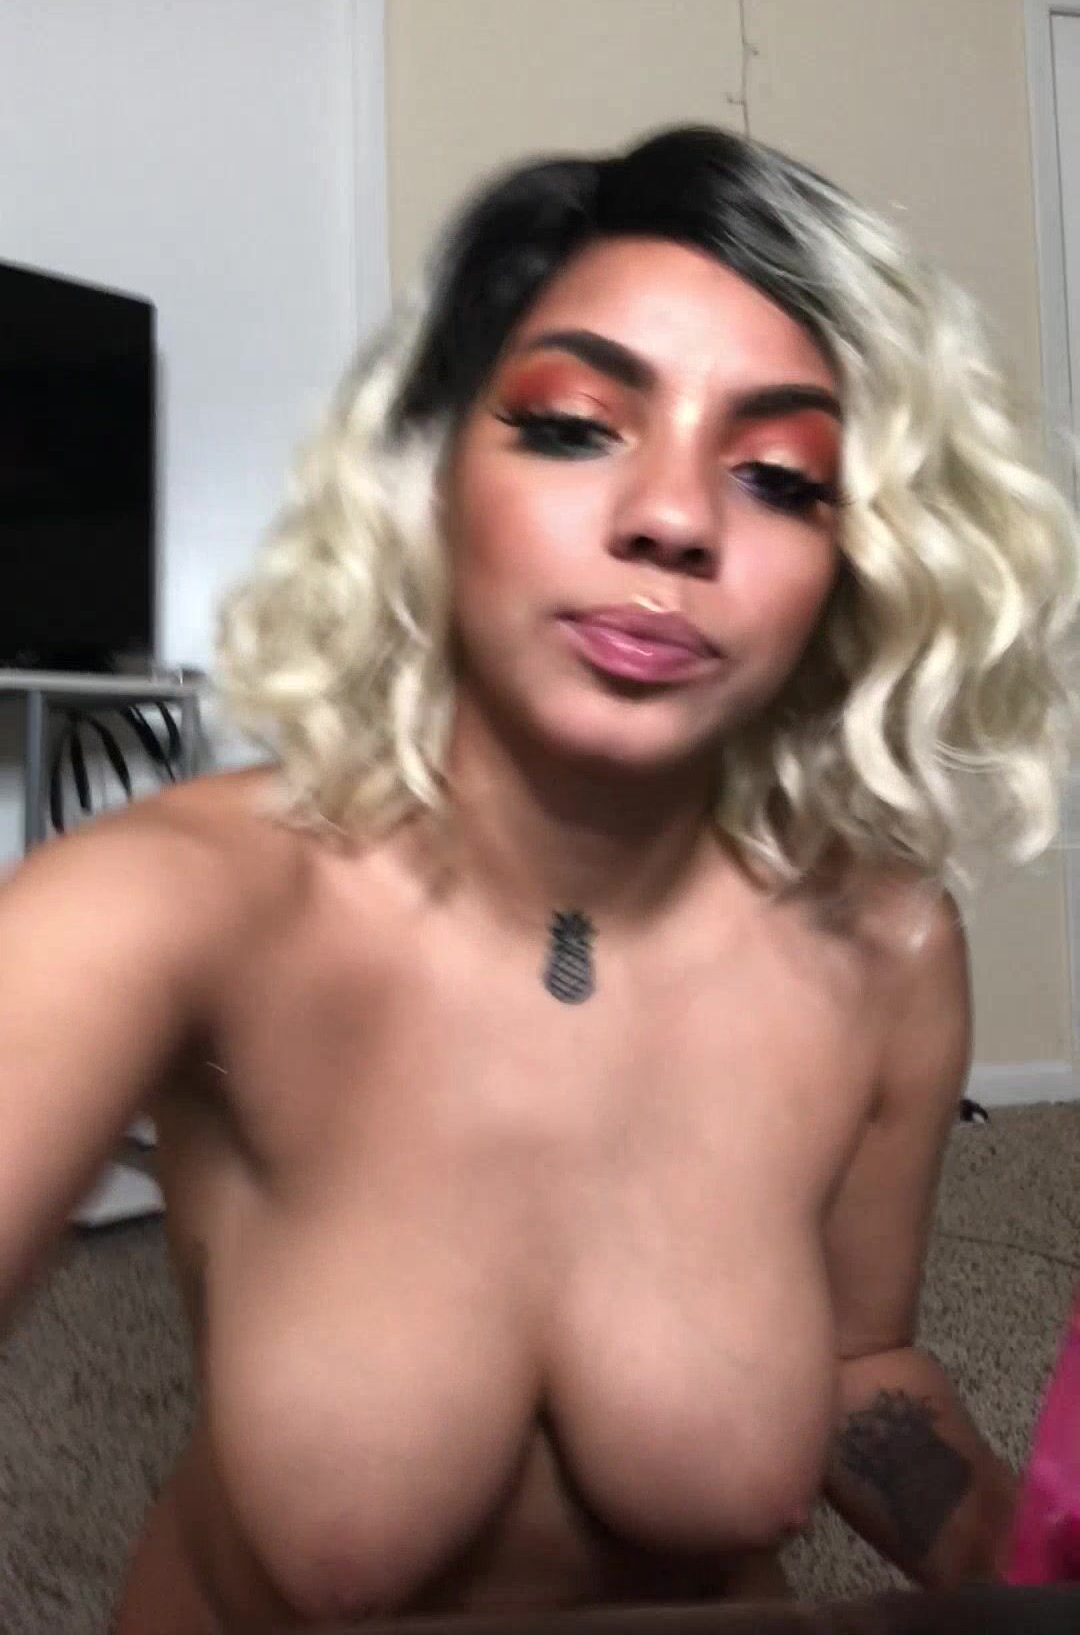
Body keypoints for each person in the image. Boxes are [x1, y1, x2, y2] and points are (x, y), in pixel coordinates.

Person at [1, 127, 1076, 1635]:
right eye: (575, 425)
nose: (675, 518)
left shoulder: (885, 945)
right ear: (433, 477)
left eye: (780, 475)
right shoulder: (168, 906)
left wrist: (1025, 1569)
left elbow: (858, 1367)